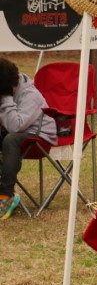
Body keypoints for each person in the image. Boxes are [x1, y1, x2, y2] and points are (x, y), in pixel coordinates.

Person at [0, 57, 58, 220]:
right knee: (9, 138)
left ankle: (5, 196)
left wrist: (6, 98)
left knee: (11, 139)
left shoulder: (30, 95)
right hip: (14, 133)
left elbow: (15, 126)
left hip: (39, 137)